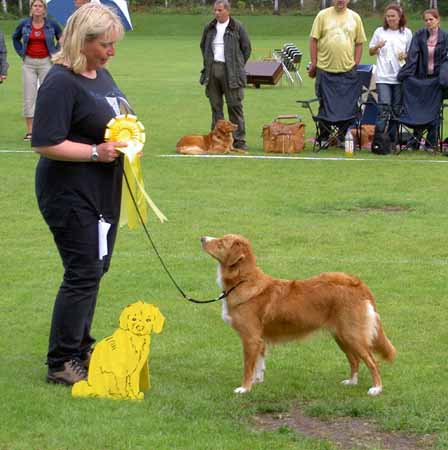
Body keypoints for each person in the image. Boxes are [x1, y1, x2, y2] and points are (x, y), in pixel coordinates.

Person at [32, 3, 132, 385]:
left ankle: (80, 346)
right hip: (67, 192)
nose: (111, 51)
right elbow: (45, 142)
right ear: (83, 41)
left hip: (103, 191)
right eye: (105, 44)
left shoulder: (100, 74)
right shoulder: (60, 81)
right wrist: (95, 152)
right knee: (83, 270)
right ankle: (61, 361)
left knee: (96, 268)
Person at [308, 0, 367, 147]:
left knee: (346, 105)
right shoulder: (322, 15)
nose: (340, 0)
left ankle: (342, 138)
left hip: (347, 70)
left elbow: (359, 42)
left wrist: (356, 63)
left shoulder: (355, 17)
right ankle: (323, 137)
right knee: (324, 104)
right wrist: (314, 63)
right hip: (324, 69)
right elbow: (313, 40)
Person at [200, 0, 251, 151]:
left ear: (228, 11)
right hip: (212, 69)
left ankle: (239, 141)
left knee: (235, 106)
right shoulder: (209, 28)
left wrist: (237, 64)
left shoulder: (237, 27)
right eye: (215, 10)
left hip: (232, 72)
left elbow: (246, 48)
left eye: (220, 10)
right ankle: (217, 139)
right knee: (216, 107)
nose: (217, 13)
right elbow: (203, 46)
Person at [398, 9, 448, 151]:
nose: (428, 22)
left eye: (431, 19)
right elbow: (413, 57)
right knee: (418, 109)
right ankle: (414, 142)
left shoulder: (445, 37)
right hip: (421, 79)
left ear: (438, 20)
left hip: (436, 81)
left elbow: (446, 60)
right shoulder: (419, 35)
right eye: (426, 20)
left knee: (434, 111)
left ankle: (431, 143)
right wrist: (406, 74)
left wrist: (443, 78)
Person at [12, 0, 62, 141]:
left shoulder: (51, 24)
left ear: (44, 9)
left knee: (47, 94)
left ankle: (47, 128)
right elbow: (15, 37)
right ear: (31, 8)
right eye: (35, 6)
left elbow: (62, 37)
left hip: (46, 62)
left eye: (40, 6)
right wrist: (21, 52)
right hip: (29, 63)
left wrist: (55, 53)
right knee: (29, 96)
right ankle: (30, 131)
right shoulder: (24, 24)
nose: (37, 8)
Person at [369, 4, 412, 146]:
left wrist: (405, 55)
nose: (390, 19)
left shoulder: (406, 33)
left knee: (396, 110)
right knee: (383, 108)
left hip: (399, 77)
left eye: (393, 16)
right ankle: (379, 141)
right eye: (388, 16)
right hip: (383, 77)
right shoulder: (379, 31)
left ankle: (392, 141)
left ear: (400, 17)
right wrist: (377, 47)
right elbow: (370, 51)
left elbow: (411, 54)